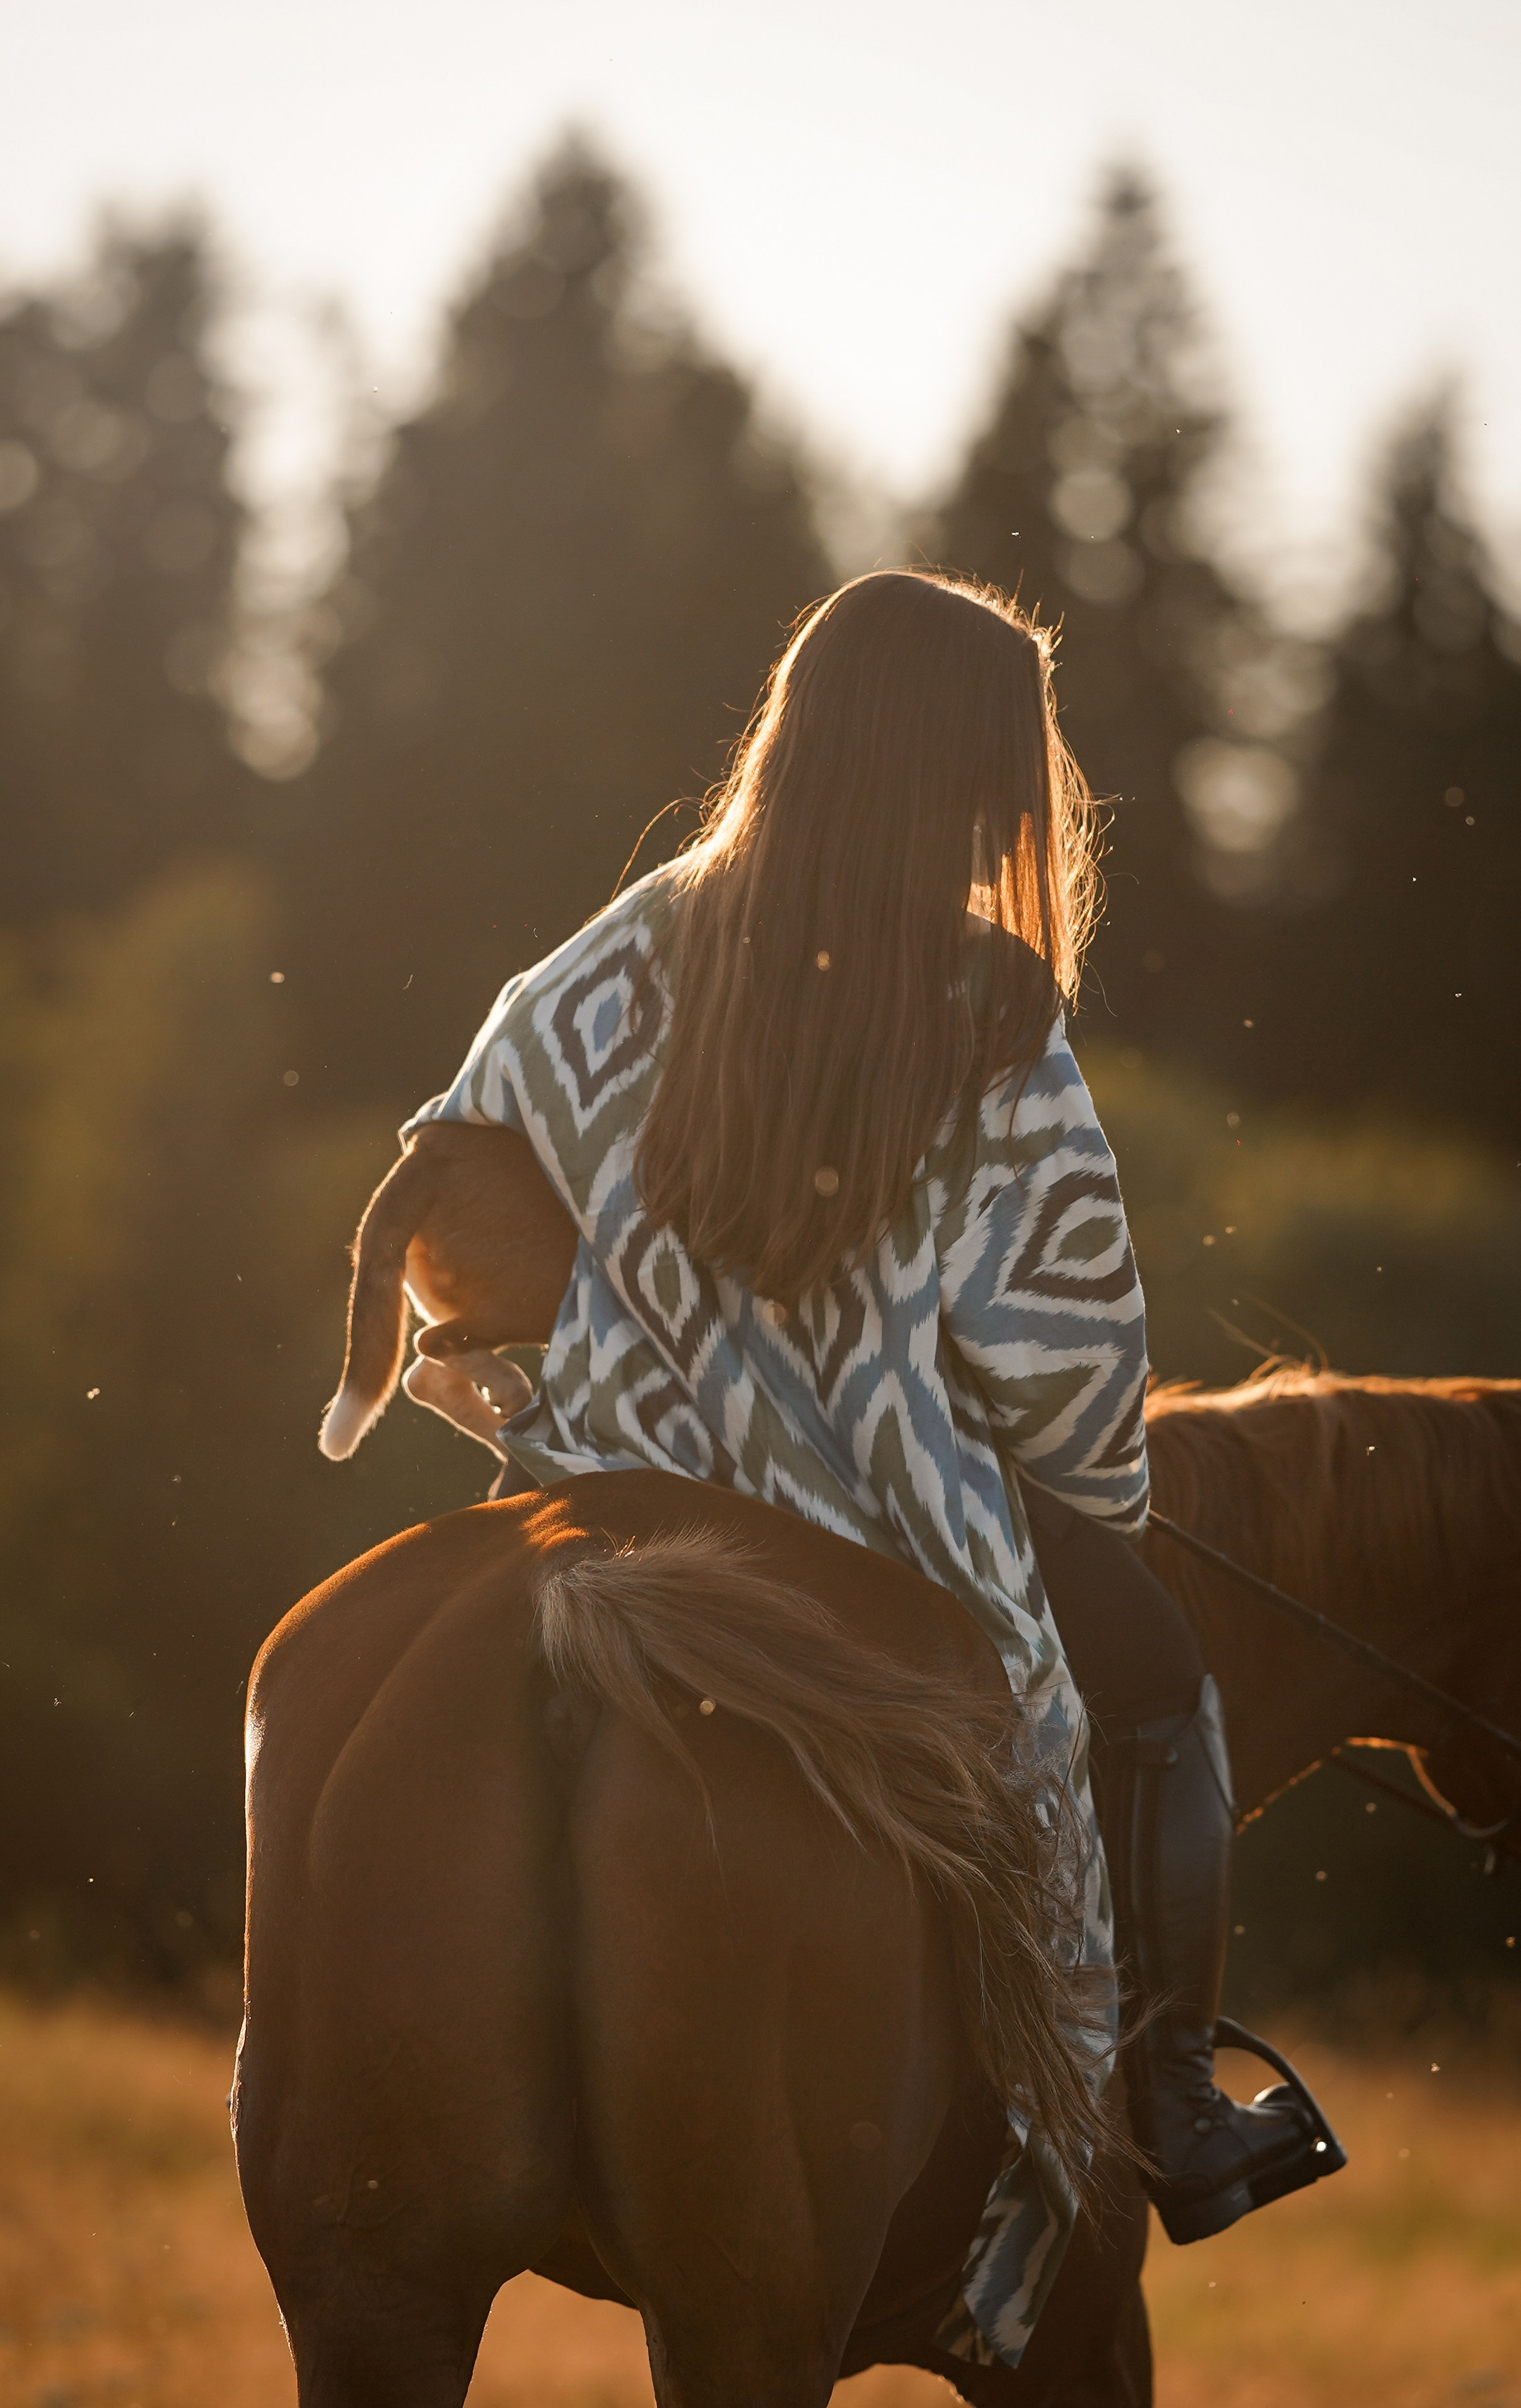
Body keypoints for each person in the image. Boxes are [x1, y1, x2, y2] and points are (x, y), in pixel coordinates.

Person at [402, 570, 1336, 2363]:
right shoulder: (989, 1005)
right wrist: (1071, 1490)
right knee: (1149, 1687)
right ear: (972, 775)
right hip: (891, 1530)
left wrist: (554, 1393)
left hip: (607, 1487)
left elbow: (456, 1196)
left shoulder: (595, 964)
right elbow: (1067, 1379)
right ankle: (1154, 2099)